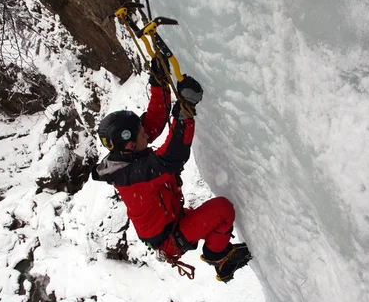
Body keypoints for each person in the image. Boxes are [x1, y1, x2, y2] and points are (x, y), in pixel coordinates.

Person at [92, 57, 251, 282]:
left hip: (172, 219)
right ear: (129, 145)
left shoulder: (126, 153)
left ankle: (216, 247)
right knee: (222, 211)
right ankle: (219, 257)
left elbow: (154, 122)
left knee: (215, 216)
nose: (145, 132)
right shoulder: (133, 176)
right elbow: (172, 158)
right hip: (169, 238)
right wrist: (185, 111)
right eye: (140, 132)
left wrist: (159, 82)